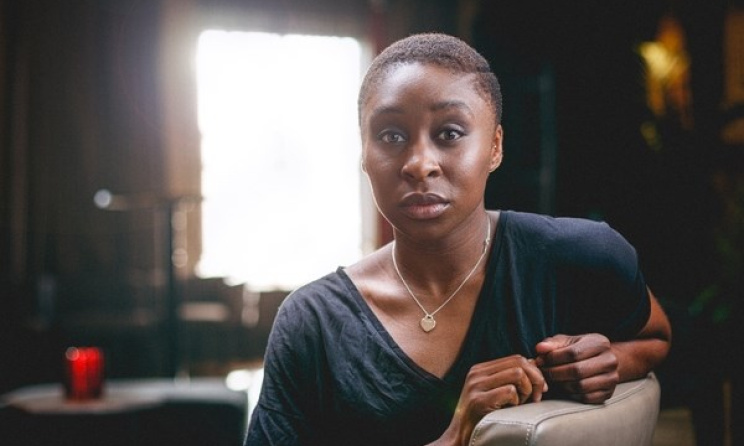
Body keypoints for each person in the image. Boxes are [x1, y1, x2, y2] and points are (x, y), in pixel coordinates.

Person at [244, 33, 671, 446]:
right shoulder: (313, 324)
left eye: (449, 133)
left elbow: (656, 339)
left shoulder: (580, 258)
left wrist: (609, 360)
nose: (419, 164)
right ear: (364, 153)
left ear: (496, 147)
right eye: (391, 136)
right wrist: (455, 437)